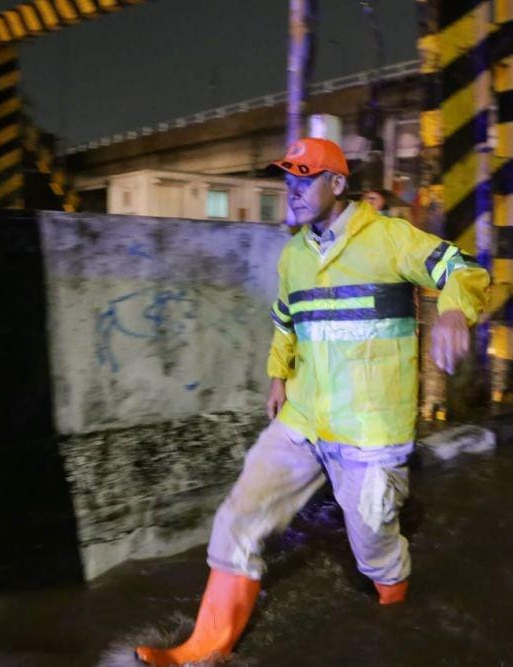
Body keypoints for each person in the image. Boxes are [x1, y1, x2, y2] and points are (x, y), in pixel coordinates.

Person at [135, 137, 489, 666]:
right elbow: (286, 322)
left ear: (338, 184)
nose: (292, 190)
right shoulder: (294, 256)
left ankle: (396, 611)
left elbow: (460, 268)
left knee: (372, 547)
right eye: (288, 179)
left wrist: (457, 311)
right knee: (239, 515)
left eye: (305, 177)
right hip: (303, 416)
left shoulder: (389, 238)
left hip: (369, 428)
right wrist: (278, 376)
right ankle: (203, 648)